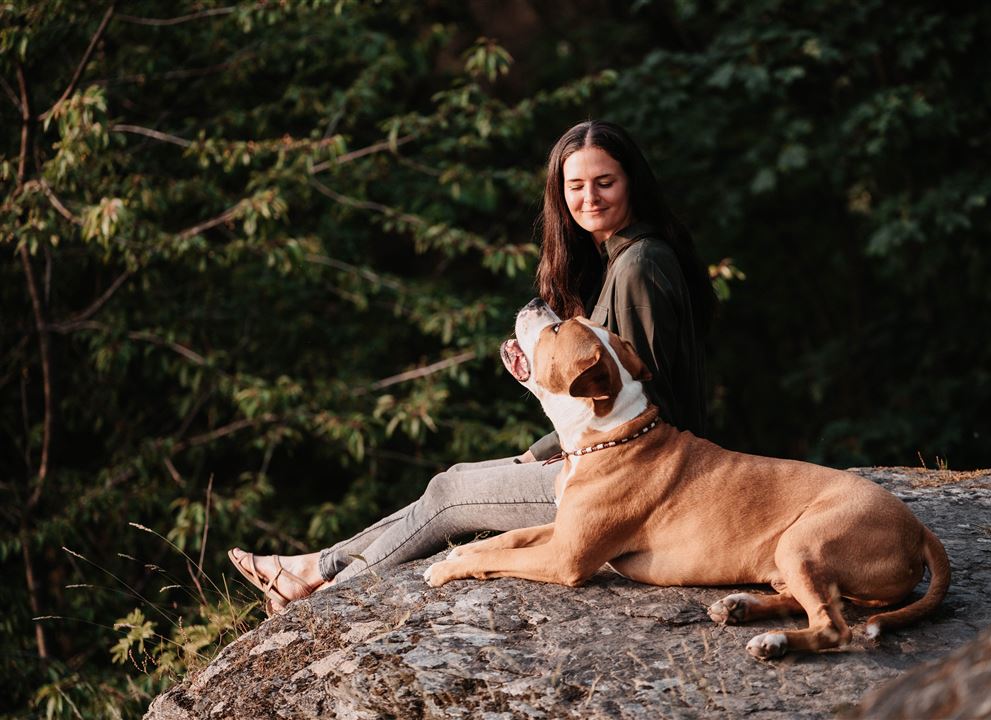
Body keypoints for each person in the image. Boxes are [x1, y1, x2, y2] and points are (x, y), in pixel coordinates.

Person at [229, 120, 720, 612]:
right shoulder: (616, 259)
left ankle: (325, 593)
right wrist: (540, 436)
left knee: (452, 493)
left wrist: (551, 440)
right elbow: (612, 389)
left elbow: (649, 398)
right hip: (612, 460)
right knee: (456, 477)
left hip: (635, 483)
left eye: (605, 182)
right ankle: (317, 569)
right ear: (560, 192)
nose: (589, 197)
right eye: (575, 186)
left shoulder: (639, 265)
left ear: (631, 180)